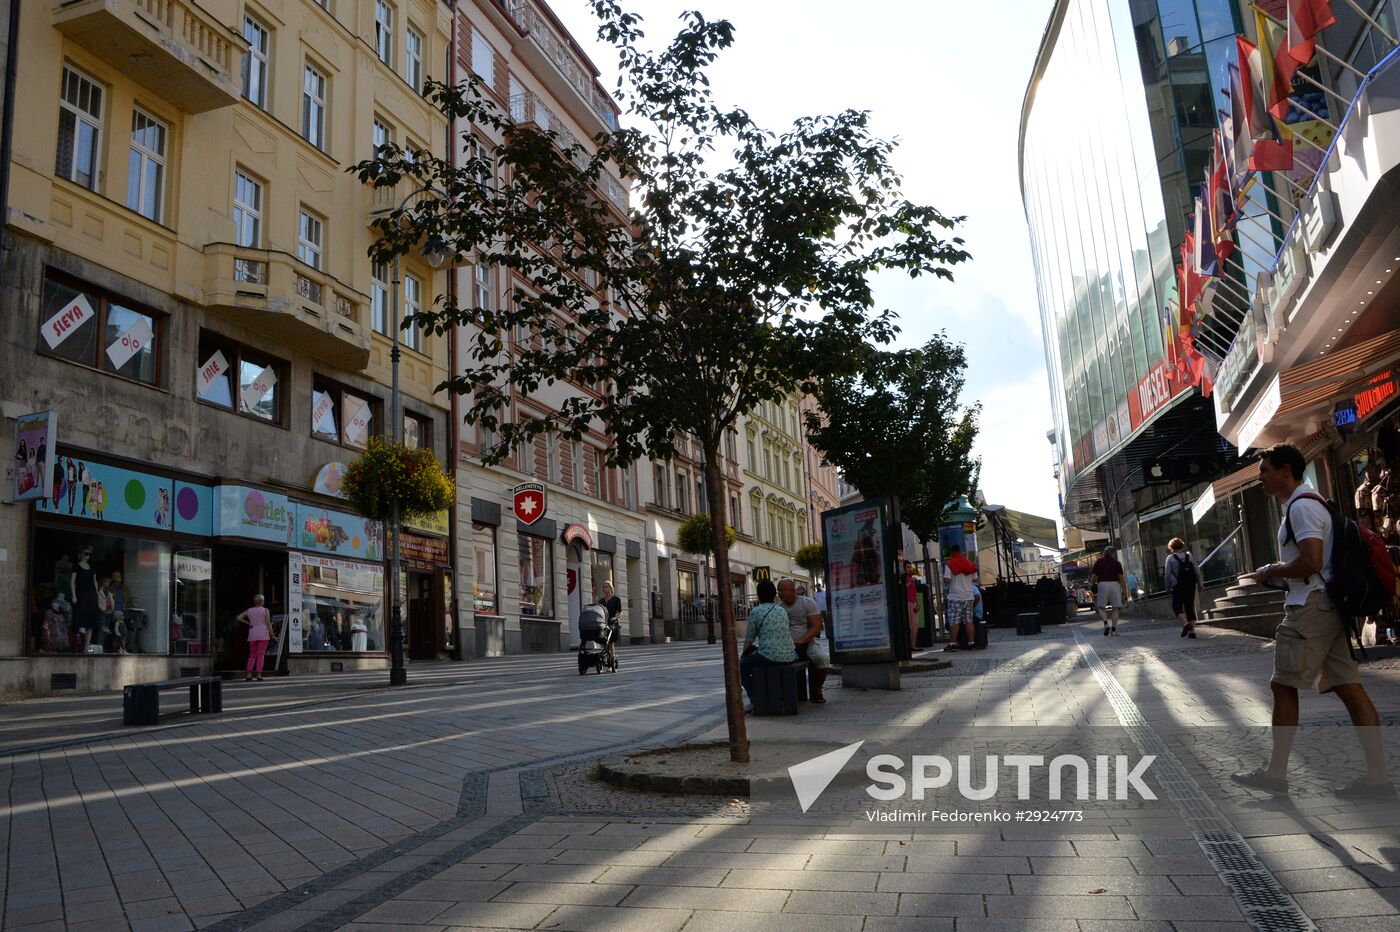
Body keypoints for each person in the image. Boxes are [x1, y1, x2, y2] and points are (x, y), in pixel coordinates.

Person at [1232, 443, 1394, 798]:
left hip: (1311, 607)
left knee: (1283, 684)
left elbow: (1312, 561)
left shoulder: (1303, 508)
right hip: (1325, 605)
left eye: (1265, 470)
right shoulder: (1307, 502)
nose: (1261, 477)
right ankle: (1378, 779)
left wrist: (1274, 570)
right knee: (1350, 689)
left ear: (1286, 470)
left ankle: (1275, 775)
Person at [741, 579, 797, 712]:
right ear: (774, 595)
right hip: (790, 655)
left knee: (741, 668)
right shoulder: (781, 610)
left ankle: (755, 700)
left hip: (769, 656)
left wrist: (744, 655)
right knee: (760, 659)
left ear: (758, 595)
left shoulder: (755, 611)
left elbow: (749, 639)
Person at [778, 577, 829, 703]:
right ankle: (788, 694)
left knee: (822, 659)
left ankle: (817, 689)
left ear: (793, 590)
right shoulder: (778, 609)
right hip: (786, 646)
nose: (780, 593)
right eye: (779, 590)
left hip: (809, 642)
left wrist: (801, 640)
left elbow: (816, 627)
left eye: (783, 590)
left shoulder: (808, 603)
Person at [1165, 537, 1203, 638]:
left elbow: (1167, 575)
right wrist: (1200, 583)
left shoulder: (1170, 558)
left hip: (1177, 586)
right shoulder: (1189, 555)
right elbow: (1196, 570)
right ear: (1182, 546)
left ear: (1171, 548)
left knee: (1177, 607)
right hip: (1190, 585)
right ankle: (1192, 632)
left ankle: (1186, 624)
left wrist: (1167, 587)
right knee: (1189, 607)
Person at [942, 546, 978, 651]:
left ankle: (952, 644)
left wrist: (950, 580)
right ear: (960, 552)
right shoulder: (970, 564)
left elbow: (947, 579)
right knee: (969, 621)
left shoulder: (950, 564)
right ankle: (972, 643)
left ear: (952, 553)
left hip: (955, 597)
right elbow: (976, 579)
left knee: (954, 622)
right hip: (968, 596)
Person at [1090, 546, 1128, 636]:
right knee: (1116, 608)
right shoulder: (1117, 563)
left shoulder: (1099, 562)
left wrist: (1092, 584)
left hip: (1102, 584)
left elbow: (1094, 576)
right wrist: (1125, 590)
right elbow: (1121, 578)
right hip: (1115, 584)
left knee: (1101, 607)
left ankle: (1106, 624)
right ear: (1113, 553)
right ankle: (1114, 631)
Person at [236, 595, 272, 681]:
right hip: (263, 634)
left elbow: (238, 617)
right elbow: (268, 623)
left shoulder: (249, 610)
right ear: (262, 601)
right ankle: (259, 675)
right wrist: (272, 634)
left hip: (252, 635)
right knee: (260, 655)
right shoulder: (265, 610)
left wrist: (248, 623)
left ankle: (249, 675)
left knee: (252, 655)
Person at [599, 581, 623, 668]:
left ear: (610, 587)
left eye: (606, 586)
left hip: (613, 623)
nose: (605, 589)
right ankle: (605, 657)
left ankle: (611, 662)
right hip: (604, 624)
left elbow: (620, 612)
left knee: (611, 643)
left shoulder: (616, 599)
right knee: (604, 642)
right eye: (603, 587)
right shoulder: (601, 601)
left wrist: (615, 618)